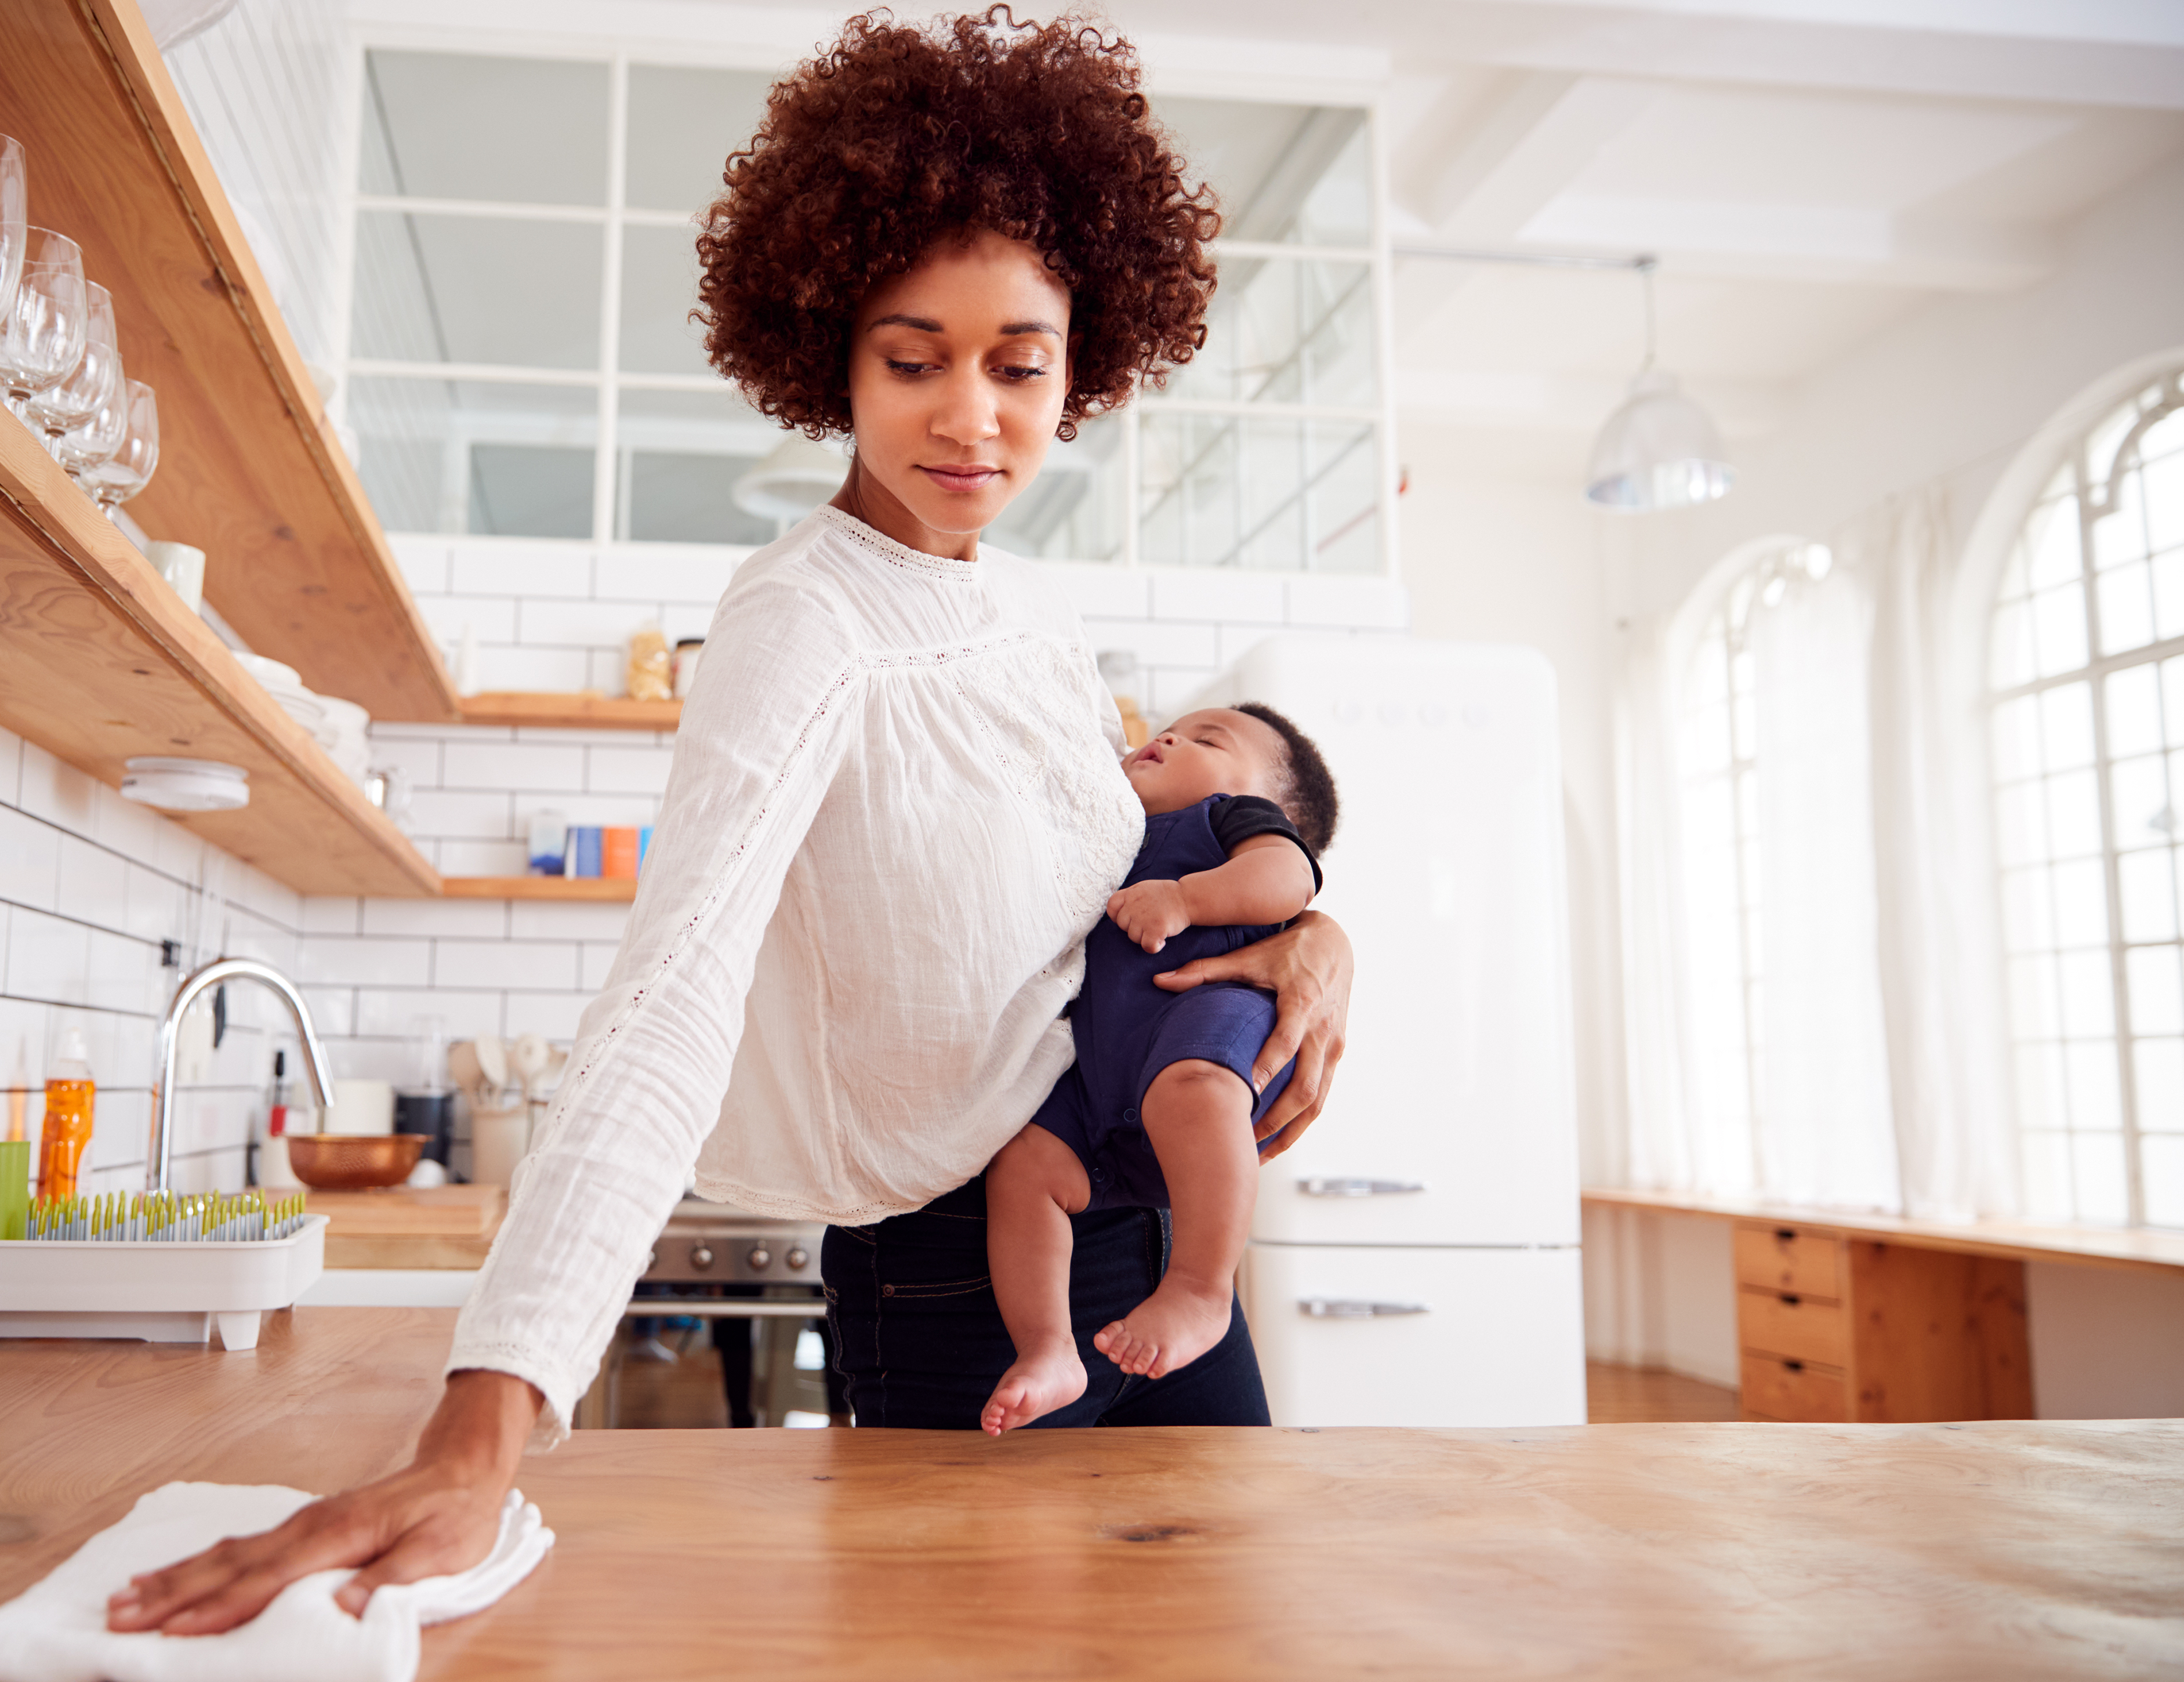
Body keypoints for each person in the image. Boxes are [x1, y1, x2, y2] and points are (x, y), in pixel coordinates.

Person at [107, 10, 1356, 1637]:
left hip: (1142, 1237)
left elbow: (1129, 887)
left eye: (1017, 363)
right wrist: (479, 1419)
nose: (970, 416)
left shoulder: (1046, 633)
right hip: (956, 1290)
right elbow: (672, 990)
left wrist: (1311, 931)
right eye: (912, 358)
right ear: (828, 353)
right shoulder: (799, 621)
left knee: (1221, 1649)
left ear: (1084, 361)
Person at [981, 703, 1338, 1436]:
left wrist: (1185, 897)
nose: (1169, 736)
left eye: (1208, 739)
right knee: (1024, 1164)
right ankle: (1049, 1350)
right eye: (1167, 729)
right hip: (1108, 1074)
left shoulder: (1228, 821)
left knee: (1196, 1090)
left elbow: (1288, 878)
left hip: (1207, 1021)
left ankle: (1200, 1288)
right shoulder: (1110, 833)